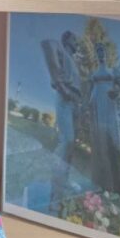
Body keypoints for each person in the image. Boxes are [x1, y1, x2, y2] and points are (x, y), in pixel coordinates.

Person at [87, 41, 120, 199]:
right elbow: (89, 93)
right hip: (95, 106)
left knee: (112, 139)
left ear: (106, 53)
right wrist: (87, 106)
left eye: (102, 50)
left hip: (108, 105)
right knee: (99, 141)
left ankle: (118, 186)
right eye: (98, 51)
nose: (100, 53)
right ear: (96, 55)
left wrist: (117, 94)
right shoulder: (93, 73)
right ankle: (101, 184)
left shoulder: (113, 71)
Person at [41, 30, 84, 201]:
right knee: (67, 140)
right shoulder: (60, 48)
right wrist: (61, 85)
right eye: (74, 39)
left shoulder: (74, 62)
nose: (77, 42)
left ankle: (63, 180)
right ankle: (56, 181)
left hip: (75, 103)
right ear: (66, 40)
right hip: (65, 98)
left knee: (71, 145)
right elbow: (47, 44)